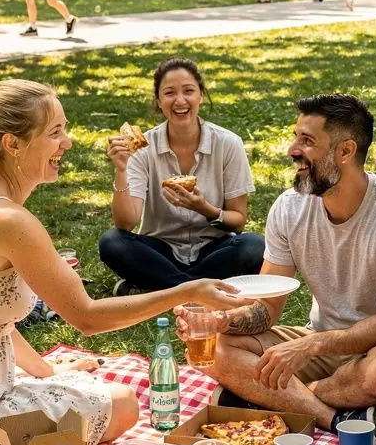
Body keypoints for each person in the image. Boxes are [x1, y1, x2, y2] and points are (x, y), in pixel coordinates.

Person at [0, 75, 245, 445]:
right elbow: (88, 317)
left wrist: (47, 373)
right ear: (13, 144)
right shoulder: (8, 220)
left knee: (82, 385)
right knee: (124, 402)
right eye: (55, 133)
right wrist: (186, 291)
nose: (67, 143)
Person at [178, 93, 376, 445]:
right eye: (295, 137)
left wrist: (311, 346)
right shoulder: (290, 208)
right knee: (216, 349)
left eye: (307, 141)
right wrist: (222, 321)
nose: (292, 150)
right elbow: (266, 308)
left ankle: (276, 399)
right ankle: (336, 417)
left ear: (345, 151)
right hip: (325, 346)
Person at [99, 56, 265, 295]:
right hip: (159, 250)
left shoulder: (228, 144)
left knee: (255, 246)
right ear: (159, 100)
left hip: (213, 249)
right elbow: (126, 224)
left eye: (188, 91)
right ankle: (199, 290)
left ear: (201, 95)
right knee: (112, 242)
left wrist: (205, 208)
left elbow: (238, 221)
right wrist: (121, 170)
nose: (180, 100)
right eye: (169, 93)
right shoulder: (142, 148)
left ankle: (161, 289)